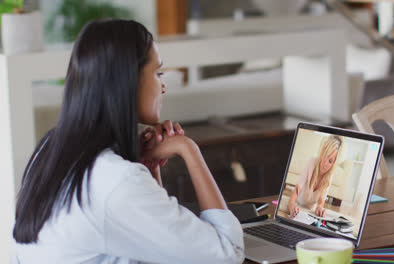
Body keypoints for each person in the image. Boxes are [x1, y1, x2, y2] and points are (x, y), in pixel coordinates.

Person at [12, 19, 244, 264]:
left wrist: (150, 168)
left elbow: (157, 245)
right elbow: (227, 253)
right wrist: (189, 150)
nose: (163, 86)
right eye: (158, 73)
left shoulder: (51, 149)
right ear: (127, 81)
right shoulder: (116, 180)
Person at [287, 135, 344, 218]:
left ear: (333, 164)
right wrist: (292, 205)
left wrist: (320, 208)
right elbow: (295, 192)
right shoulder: (311, 162)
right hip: (298, 202)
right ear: (322, 152)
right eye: (325, 155)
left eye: (330, 161)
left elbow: (321, 202)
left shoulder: (329, 177)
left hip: (309, 210)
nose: (325, 163)